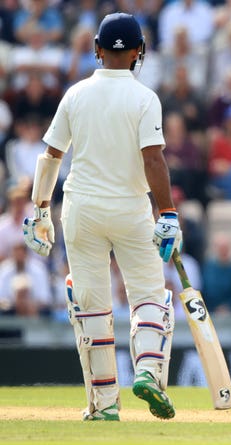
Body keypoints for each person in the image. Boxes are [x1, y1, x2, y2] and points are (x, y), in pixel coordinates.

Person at [21, 13, 182, 422]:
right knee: (150, 297)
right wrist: (168, 213)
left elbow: (51, 156)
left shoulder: (76, 94)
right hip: (129, 208)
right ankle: (147, 370)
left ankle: (105, 404)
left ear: (96, 49)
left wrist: (40, 209)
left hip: (82, 209)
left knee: (90, 306)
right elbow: (153, 158)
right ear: (138, 52)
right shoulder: (145, 98)